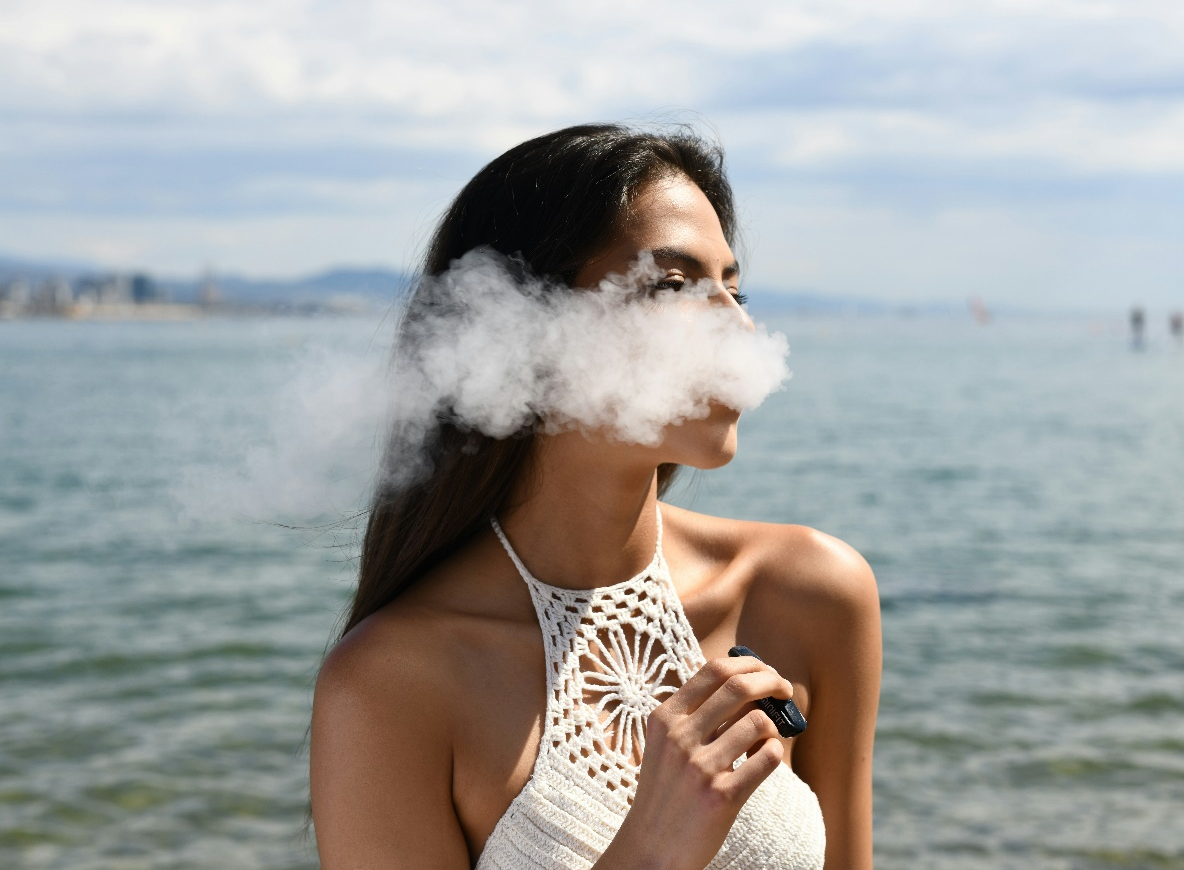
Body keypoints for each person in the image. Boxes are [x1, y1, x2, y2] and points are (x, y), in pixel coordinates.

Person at [309, 124, 882, 870]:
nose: (737, 326)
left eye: (734, 289)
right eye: (672, 285)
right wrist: (653, 846)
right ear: (519, 330)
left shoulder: (812, 590)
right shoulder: (389, 684)